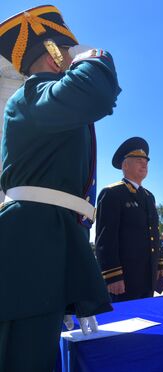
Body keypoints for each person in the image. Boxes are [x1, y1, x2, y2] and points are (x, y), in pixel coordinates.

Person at [0, 5, 120, 370]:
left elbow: (98, 97)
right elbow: (97, 91)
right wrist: (96, 55)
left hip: (48, 228)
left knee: (43, 347)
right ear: (53, 56)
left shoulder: (47, 101)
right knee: (24, 355)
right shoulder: (29, 97)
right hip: (30, 237)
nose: (72, 58)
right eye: (66, 52)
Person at [96, 137, 163, 302]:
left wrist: (159, 264)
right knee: (125, 322)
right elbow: (106, 238)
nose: (144, 164)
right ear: (125, 165)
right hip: (125, 277)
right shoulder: (112, 193)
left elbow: (154, 233)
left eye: (146, 161)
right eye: (139, 160)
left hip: (148, 273)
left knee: (147, 319)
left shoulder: (149, 196)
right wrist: (112, 275)